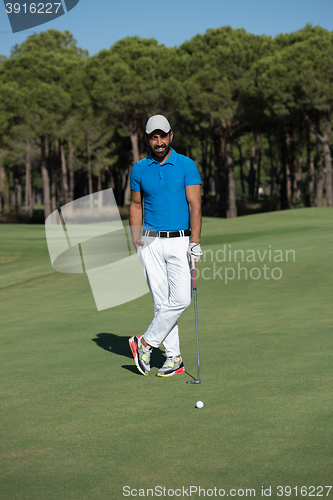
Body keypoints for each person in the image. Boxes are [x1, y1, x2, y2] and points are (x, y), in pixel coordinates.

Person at [128, 115, 203, 377]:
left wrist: (195, 241)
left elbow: (195, 204)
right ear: (147, 138)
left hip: (180, 240)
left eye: (162, 136)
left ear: (171, 136)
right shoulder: (139, 169)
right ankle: (174, 359)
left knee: (181, 299)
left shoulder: (186, 165)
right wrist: (136, 238)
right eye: (153, 137)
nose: (158, 142)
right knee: (162, 304)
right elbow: (136, 205)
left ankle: (145, 342)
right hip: (149, 242)